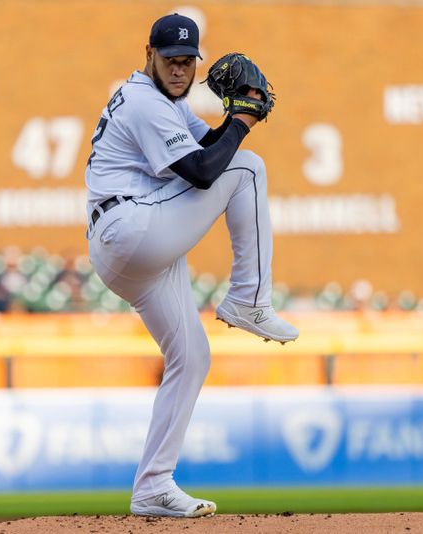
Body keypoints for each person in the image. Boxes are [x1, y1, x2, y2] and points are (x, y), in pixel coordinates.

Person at [85, 13, 299, 517]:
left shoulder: (167, 103)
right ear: (149, 55)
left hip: (131, 246)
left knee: (192, 357)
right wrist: (244, 119)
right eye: (170, 60)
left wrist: (235, 120)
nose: (179, 70)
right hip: (132, 228)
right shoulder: (144, 101)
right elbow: (207, 173)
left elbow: (207, 150)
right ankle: (249, 298)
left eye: (187, 62)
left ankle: (153, 486)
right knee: (249, 168)